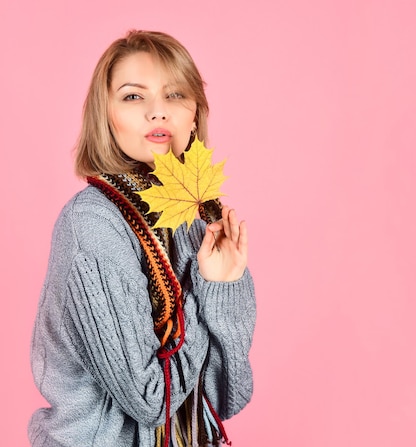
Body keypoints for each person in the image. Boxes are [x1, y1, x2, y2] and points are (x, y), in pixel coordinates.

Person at [28, 30, 256, 447]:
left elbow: (228, 396)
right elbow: (150, 400)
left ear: (194, 114)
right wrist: (202, 291)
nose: (158, 113)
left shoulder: (199, 220)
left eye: (175, 95)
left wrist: (222, 287)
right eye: (134, 97)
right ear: (106, 112)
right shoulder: (91, 227)